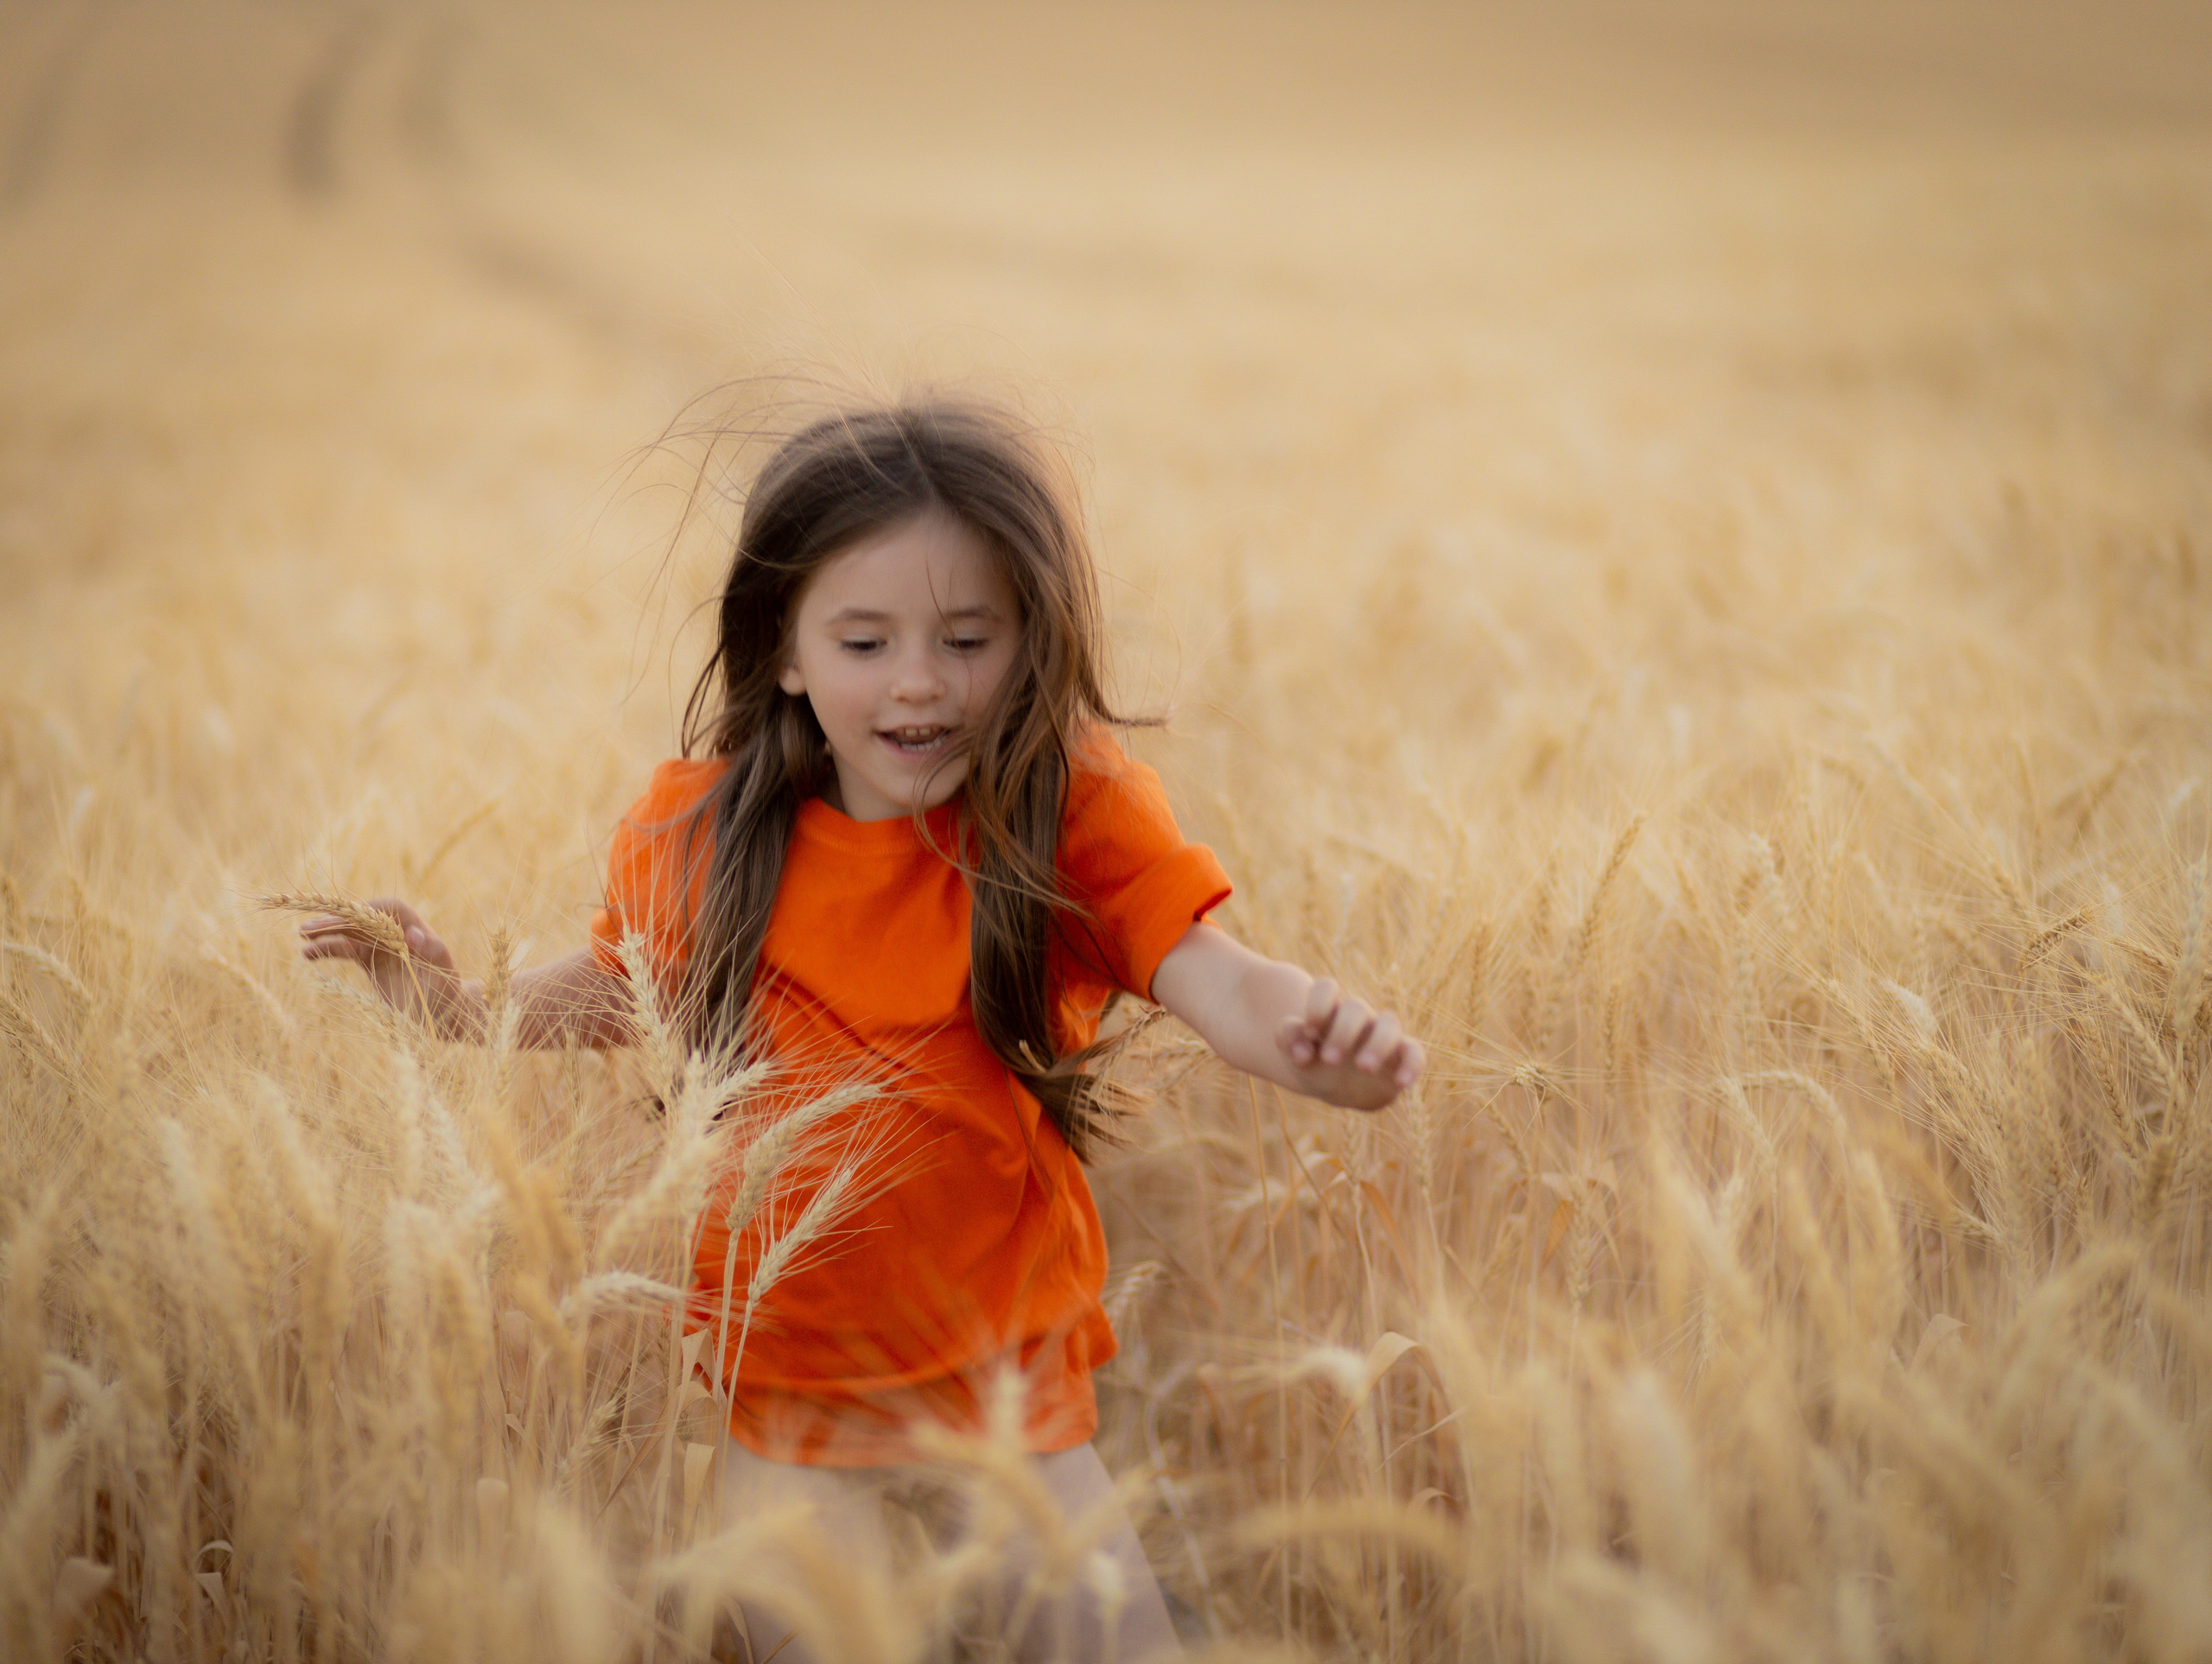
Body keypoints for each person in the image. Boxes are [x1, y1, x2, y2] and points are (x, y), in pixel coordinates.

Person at [299, 397, 1424, 1661]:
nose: (920, 682)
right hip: (791, 1375)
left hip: (1004, 1369)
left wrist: (1309, 1041)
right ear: (784, 650)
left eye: (966, 636)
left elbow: (1216, 974)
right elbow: (627, 986)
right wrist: (456, 1008)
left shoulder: (1064, 817)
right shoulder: (702, 834)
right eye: (865, 638)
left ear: (1027, 642)